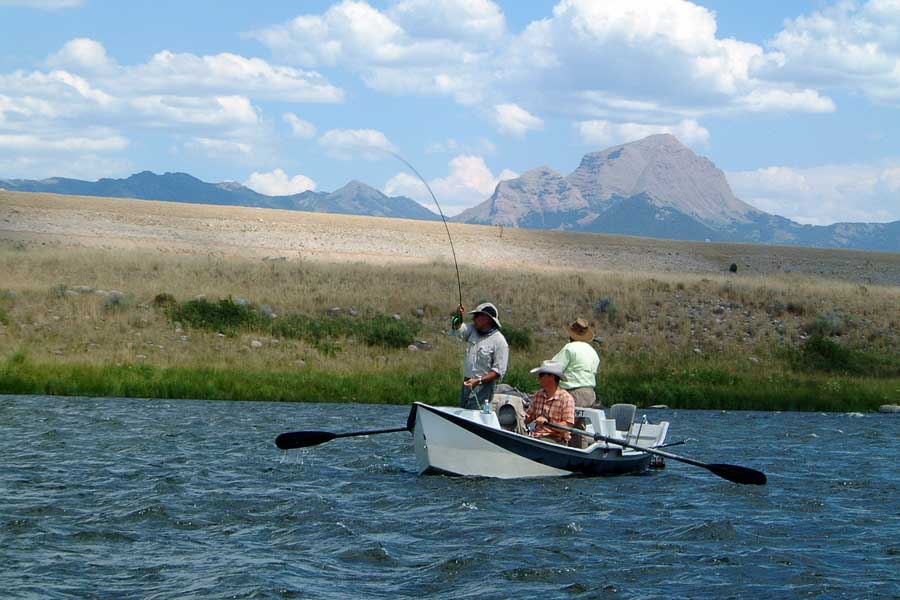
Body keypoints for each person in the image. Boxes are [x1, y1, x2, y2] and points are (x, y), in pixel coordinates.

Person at [451, 302, 509, 410]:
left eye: (477, 316)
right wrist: (458, 315)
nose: (473, 319)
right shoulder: (472, 330)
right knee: (464, 413)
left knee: (476, 415)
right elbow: (457, 328)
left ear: (487, 319)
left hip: (484, 387)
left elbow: (498, 372)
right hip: (467, 383)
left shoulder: (500, 342)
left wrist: (478, 381)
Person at [551, 317, 601, 408]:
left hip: (572, 394)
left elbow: (552, 369)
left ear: (571, 335)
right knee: (578, 421)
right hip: (591, 395)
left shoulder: (569, 348)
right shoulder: (593, 352)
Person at [524, 360, 575, 445]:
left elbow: (567, 426)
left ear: (552, 377)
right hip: (536, 436)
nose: (539, 378)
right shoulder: (538, 395)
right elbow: (528, 417)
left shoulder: (566, 398)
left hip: (556, 440)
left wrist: (547, 424)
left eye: (541, 375)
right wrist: (518, 416)